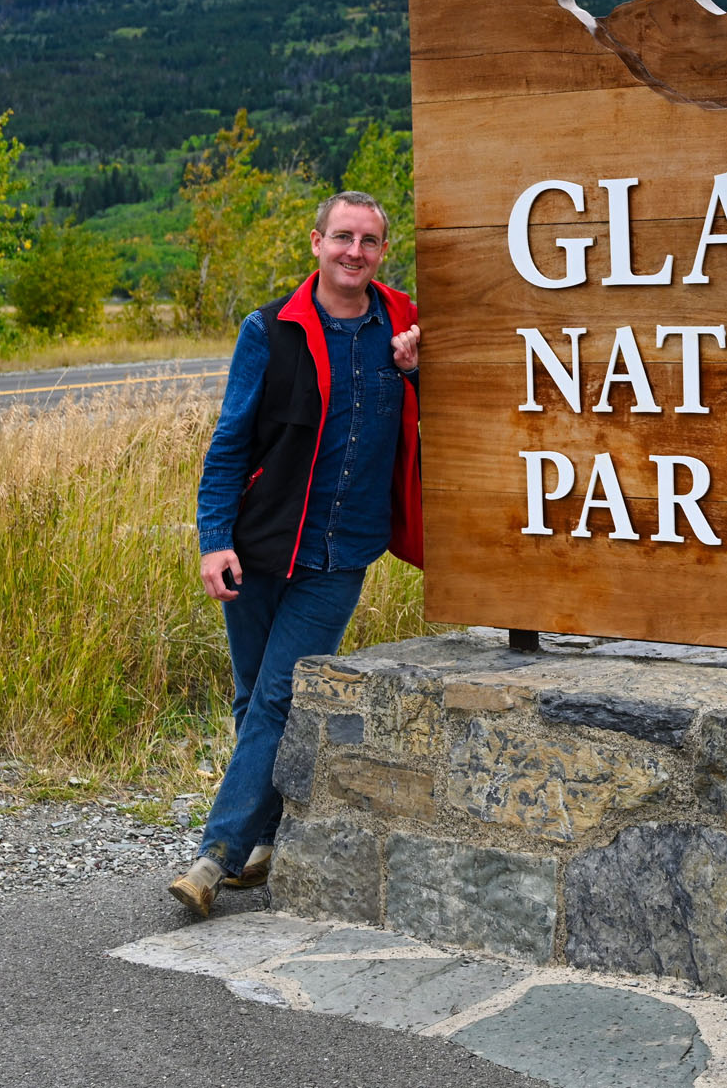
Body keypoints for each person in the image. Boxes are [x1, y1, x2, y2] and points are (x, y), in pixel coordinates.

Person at [169, 189, 421, 916]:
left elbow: (448, 417)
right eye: (342, 237)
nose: (354, 252)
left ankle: (215, 857)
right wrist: (214, 540)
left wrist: (416, 371)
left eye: (368, 241)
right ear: (316, 243)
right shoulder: (269, 329)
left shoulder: (403, 328)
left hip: (340, 553)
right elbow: (229, 443)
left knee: (278, 696)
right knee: (255, 697)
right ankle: (265, 842)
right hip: (259, 545)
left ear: (383, 252)